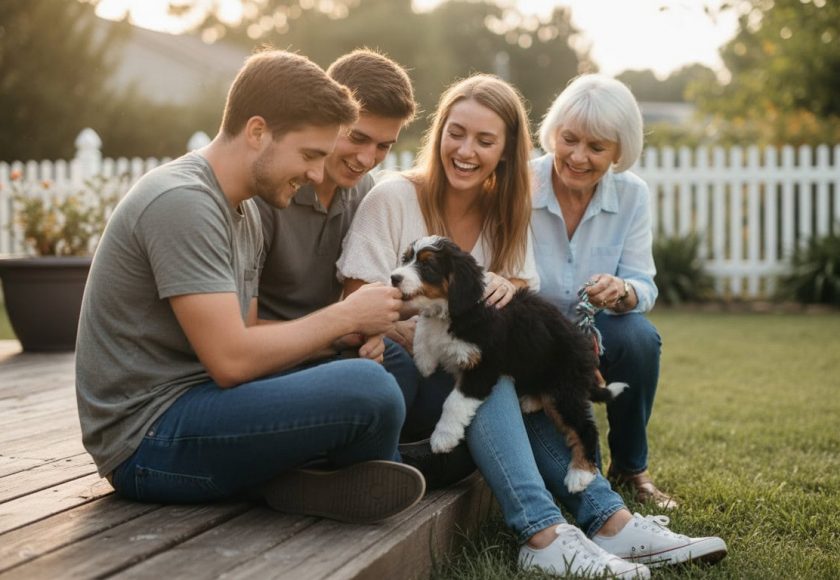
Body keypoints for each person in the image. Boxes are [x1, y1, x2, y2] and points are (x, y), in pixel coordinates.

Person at [337, 74, 727, 577]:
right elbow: (356, 307)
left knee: (499, 365)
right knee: (486, 365)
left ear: (506, 151)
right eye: (456, 133)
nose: (466, 151)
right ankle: (543, 532)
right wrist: (447, 330)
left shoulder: (504, 211)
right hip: (408, 389)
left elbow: (519, 292)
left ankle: (611, 521)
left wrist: (505, 295)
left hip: (465, 394)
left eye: (485, 140)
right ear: (439, 133)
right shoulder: (394, 196)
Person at [74, 49, 426, 525]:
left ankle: (306, 478)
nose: (317, 174)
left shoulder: (244, 207)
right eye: (309, 155)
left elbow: (248, 329)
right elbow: (232, 361)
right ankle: (375, 468)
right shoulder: (183, 201)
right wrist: (343, 316)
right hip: (148, 438)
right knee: (369, 388)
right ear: (258, 132)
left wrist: (344, 335)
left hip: (206, 401)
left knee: (381, 365)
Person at [531, 73, 675, 509]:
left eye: (596, 147)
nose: (578, 156)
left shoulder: (632, 195)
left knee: (638, 337)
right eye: (569, 139)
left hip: (597, 332)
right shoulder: (522, 183)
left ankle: (631, 467)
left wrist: (620, 290)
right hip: (532, 337)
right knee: (575, 470)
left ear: (618, 151)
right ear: (554, 133)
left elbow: (642, 284)